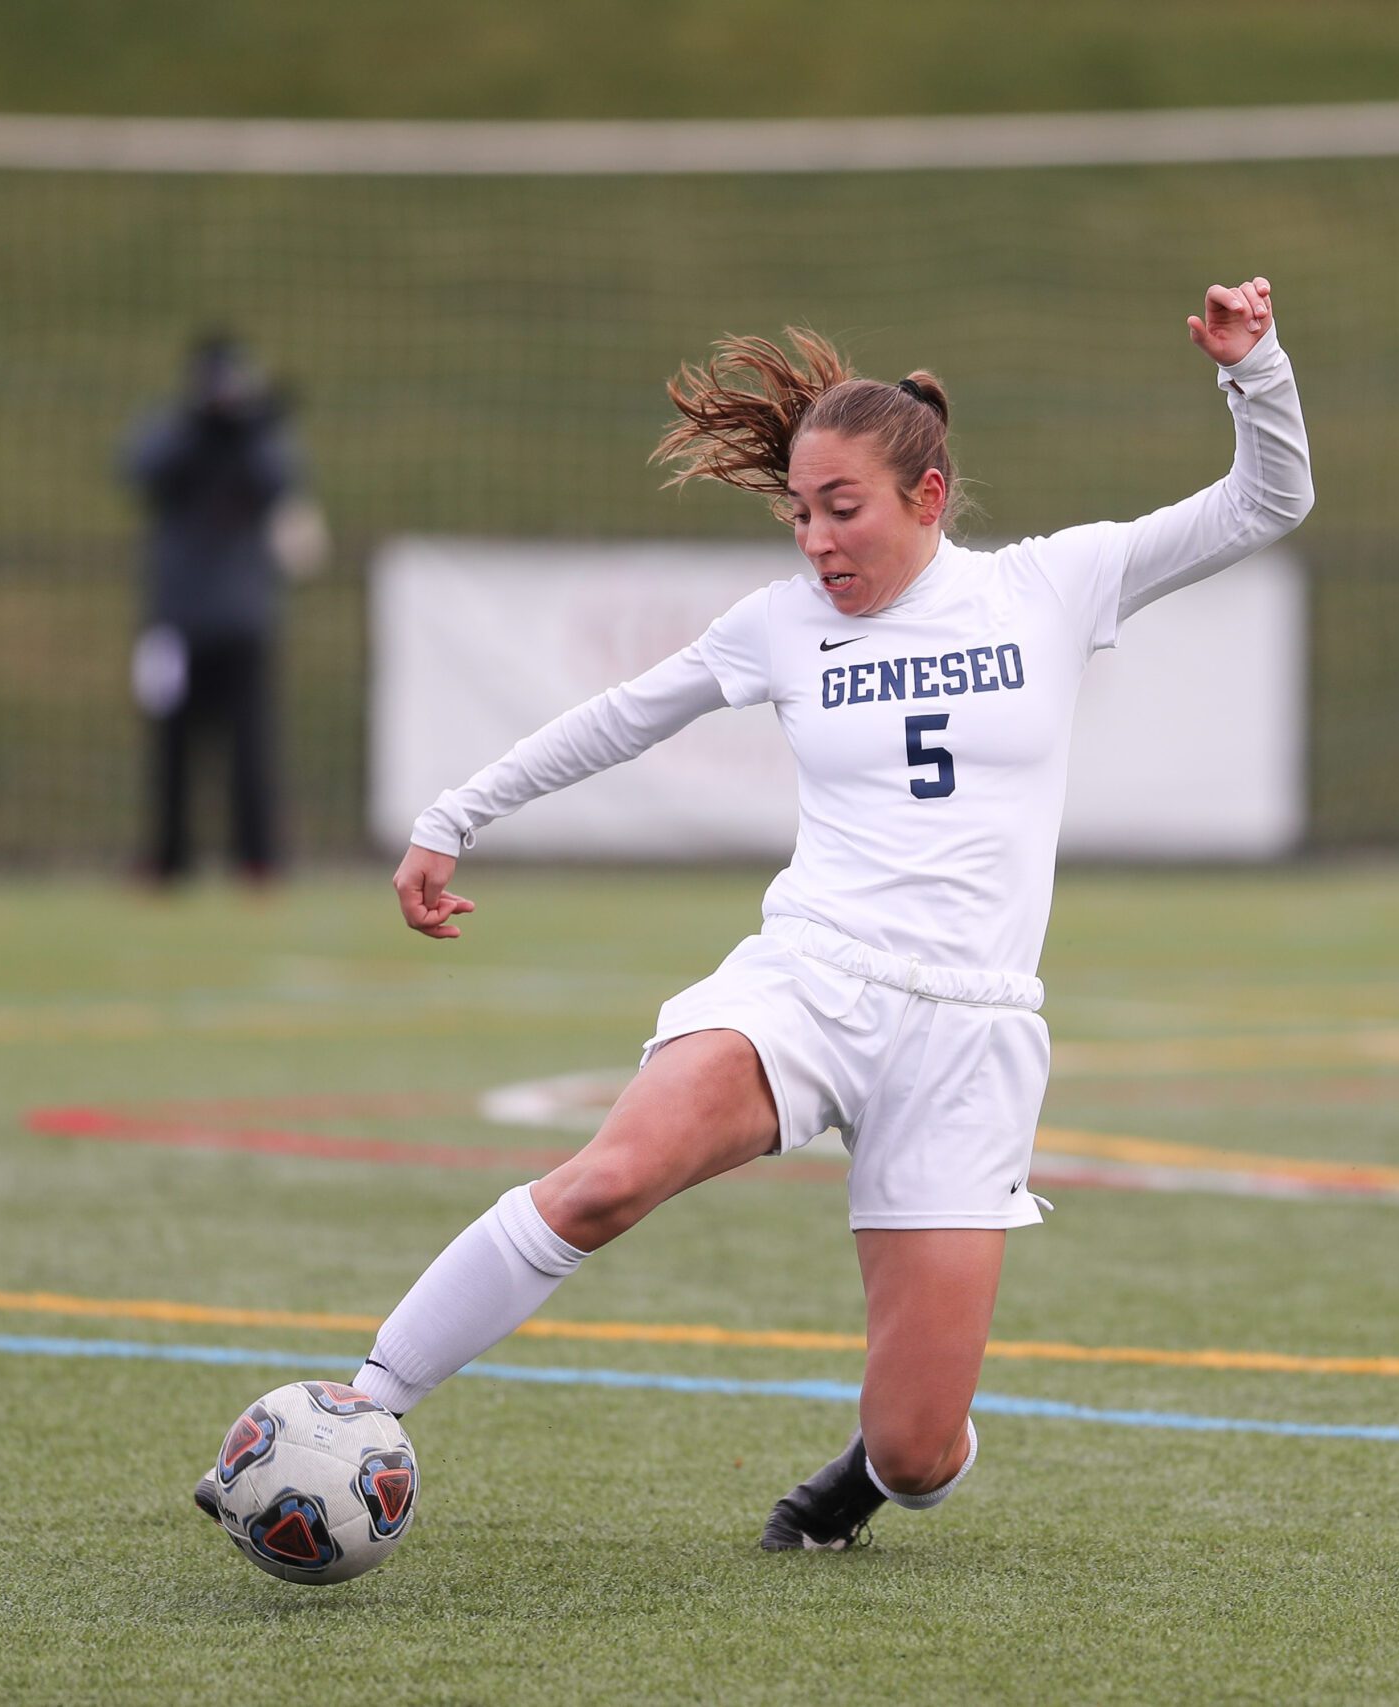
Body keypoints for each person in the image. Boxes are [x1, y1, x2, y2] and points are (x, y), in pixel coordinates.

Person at [203, 277, 1311, 1550]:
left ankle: (869, 1473)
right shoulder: (779, 626)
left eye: (843, 510)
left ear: (927, 499)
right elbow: (625, 714)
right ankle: (363, 1403)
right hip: (808, 982)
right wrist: (456, 812)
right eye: (799, 514)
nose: (816, 541)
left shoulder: (1052, 587)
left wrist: (1254, 367)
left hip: (971, 1037)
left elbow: (1268, 501)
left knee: (916, 1451)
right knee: (605, 1181)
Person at [122, 331, 321, 886]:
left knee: (251, 749)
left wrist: (247, 432)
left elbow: (282, 482)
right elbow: (137, 469)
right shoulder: (174, 429)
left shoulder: (258, 438)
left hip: (242, 620)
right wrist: (198, 428)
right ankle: (167, 860)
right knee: (171, 749)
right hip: (177, 620)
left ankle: (257, 860)